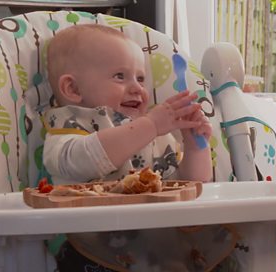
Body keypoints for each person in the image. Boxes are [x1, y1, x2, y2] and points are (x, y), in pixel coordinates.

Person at [44, 24, 238, 271]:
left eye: (141, 78)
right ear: (72, 89)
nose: (137, 88)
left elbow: (189, 184)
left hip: (158, 247)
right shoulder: (69, 129)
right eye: (120, 76)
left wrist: (194, 145)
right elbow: (87, 158)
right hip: (92, 249)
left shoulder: (153, 133)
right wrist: (150, 125)